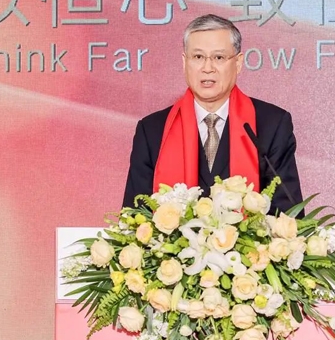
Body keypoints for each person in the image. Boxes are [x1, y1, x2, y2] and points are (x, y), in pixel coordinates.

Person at [122, 14, 303, 214]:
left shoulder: (272, 125)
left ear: (238, 63)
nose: (207, 68)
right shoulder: (152, 130)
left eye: (218, 57)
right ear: (184, 62)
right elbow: (135, 216)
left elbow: (289, 214)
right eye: (198, 57)